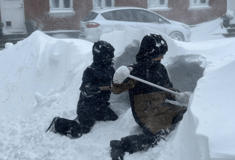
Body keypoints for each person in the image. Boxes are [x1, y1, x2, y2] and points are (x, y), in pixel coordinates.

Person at [109, 34, 191, 160]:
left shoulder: (161, 69)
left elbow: (168, 89)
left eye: (163, 54)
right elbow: (116, 90)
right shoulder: (134, 72)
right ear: (148, 53)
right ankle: (121, 145)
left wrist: (178, 96)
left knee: (187, 115)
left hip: (164, 107)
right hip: (146, 112)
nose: (162, 57)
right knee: (156, 137)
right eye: (159, 54)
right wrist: (117, 81)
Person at [46, 40, 118, 138]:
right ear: (100, 56)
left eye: (111, 56)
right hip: (87, 107)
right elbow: (86, 89)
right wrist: (103, 88)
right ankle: (58, 123)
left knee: (114, 118)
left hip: (101, 105)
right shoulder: (90, 71)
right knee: (82, 130)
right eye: (108, 56)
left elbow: (116, 81)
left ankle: (94, 115)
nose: (111, 58)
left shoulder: (110, 69)